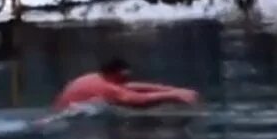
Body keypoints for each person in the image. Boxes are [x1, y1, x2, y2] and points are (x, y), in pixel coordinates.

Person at [52, 57, 200, 112]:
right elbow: (138, 100)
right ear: (115, 74)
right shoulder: (107, 88)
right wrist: (175, 96)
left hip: (57, 113)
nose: (127, 79)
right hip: (67, 119)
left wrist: (173, 89)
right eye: (124, 76)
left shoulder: (95, 77)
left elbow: (129, 87)